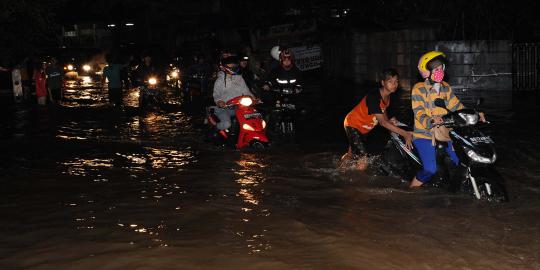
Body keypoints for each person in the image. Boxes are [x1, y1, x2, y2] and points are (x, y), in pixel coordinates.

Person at [409, 51, 485, 188]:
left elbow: (456, 106)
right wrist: (431, 121)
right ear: (426, 71)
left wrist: (475, 114)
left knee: (463, 161)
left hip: (445, 133)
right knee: (429, 170)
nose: (440, 71)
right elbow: (418, 112)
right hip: (425, 135)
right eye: (436, 69)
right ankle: (411, 189)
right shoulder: (418, 89)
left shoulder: (445, 87)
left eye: (441, 67)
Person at [341, 68, 413, 170]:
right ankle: (358, 184)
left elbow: (383, 112)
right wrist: (405, 134)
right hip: (353, 124)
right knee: (363, 158)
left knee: (351, 153)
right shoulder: (374, 97)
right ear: (383, 83)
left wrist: (390, 121)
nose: (394, 84)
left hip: (364, 128)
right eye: (390, 81)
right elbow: (383, 123)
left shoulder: (387, 97)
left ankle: (340, 170)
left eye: (396, 81)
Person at [212, 55, 254, 131]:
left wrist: (253, 98)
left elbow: (246, 91)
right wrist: (219, 101)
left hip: (239, 107)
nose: (233, 66)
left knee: (253, 119)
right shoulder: (219, 81)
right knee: (227, 124)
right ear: (225, 67)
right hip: (224, 108)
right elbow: (216, 94)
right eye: (231, 64)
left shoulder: (239, 78)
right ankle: (213, 129)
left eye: (234, 64)